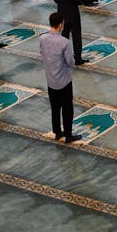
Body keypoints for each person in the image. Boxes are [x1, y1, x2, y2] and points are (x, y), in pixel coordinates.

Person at [40, 12, 82, 144]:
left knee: (55, 107)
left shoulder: (43, 38)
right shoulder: (65, 42)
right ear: (60, 25)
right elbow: (70, 62)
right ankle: (68, 135)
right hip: (64, 80)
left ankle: (57, 132)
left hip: (50, 79)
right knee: (67, 108)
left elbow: (42, 53)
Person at [51, 0, 87, 65]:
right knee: (76, 38)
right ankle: (78, 59)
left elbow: (55, 0)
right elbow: (79, 1)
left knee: (64, 37)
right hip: (73, 16)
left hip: (61, 17)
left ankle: (64, 57)